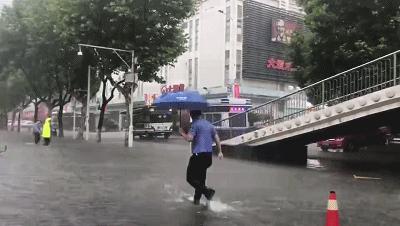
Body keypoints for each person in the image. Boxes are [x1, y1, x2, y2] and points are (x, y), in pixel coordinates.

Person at [180, 110, 223, 205]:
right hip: (208, 157)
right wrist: (220, 152)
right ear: (201, 115)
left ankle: (208, 192)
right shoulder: (209, 125)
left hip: (198, 156)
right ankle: (196, 201)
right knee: (200, 180)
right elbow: (217, 138)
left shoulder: (194, 125)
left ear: (191, 115)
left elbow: (189, 138)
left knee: (190, 178)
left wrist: (182, 133)